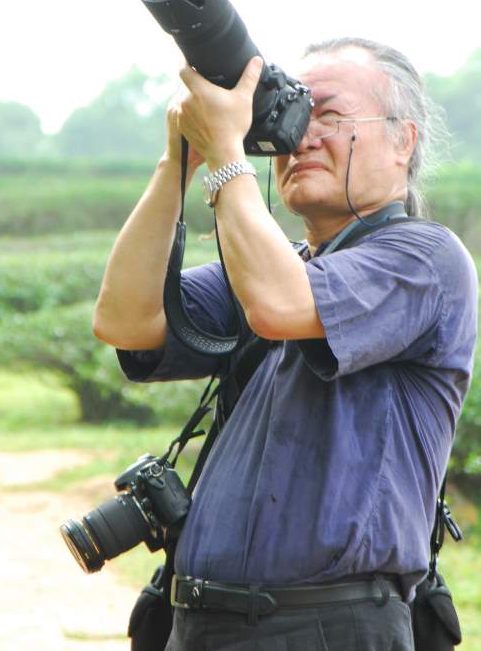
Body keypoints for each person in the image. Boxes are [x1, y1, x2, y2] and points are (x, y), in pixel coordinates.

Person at [93, 37, 478, 651]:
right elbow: (124, 320)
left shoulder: (426, 259)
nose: (300, 138)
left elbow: (282, 305)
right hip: (201, 622)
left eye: (327, 116)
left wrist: (225, 156)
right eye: (290, 115)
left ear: (403, 139)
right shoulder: (270, 268)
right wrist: (178, 162)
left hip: (329, 626)